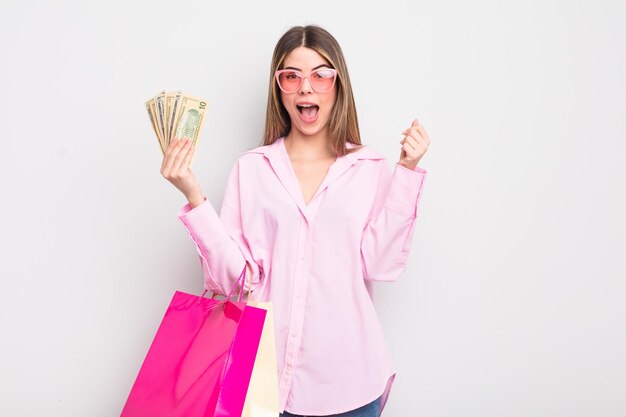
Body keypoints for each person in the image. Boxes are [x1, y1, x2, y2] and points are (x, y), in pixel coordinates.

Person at [161, 24, 430, 417]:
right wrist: (193, 196)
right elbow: (233, 281)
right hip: (256, 375)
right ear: (280, 88)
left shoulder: (370, 168)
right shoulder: (252, 169)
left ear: (339, 85)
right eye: (292, 76)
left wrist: (406, 170)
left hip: (348, 380)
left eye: (321, 75)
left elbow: (381, 264)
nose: (307, 87)